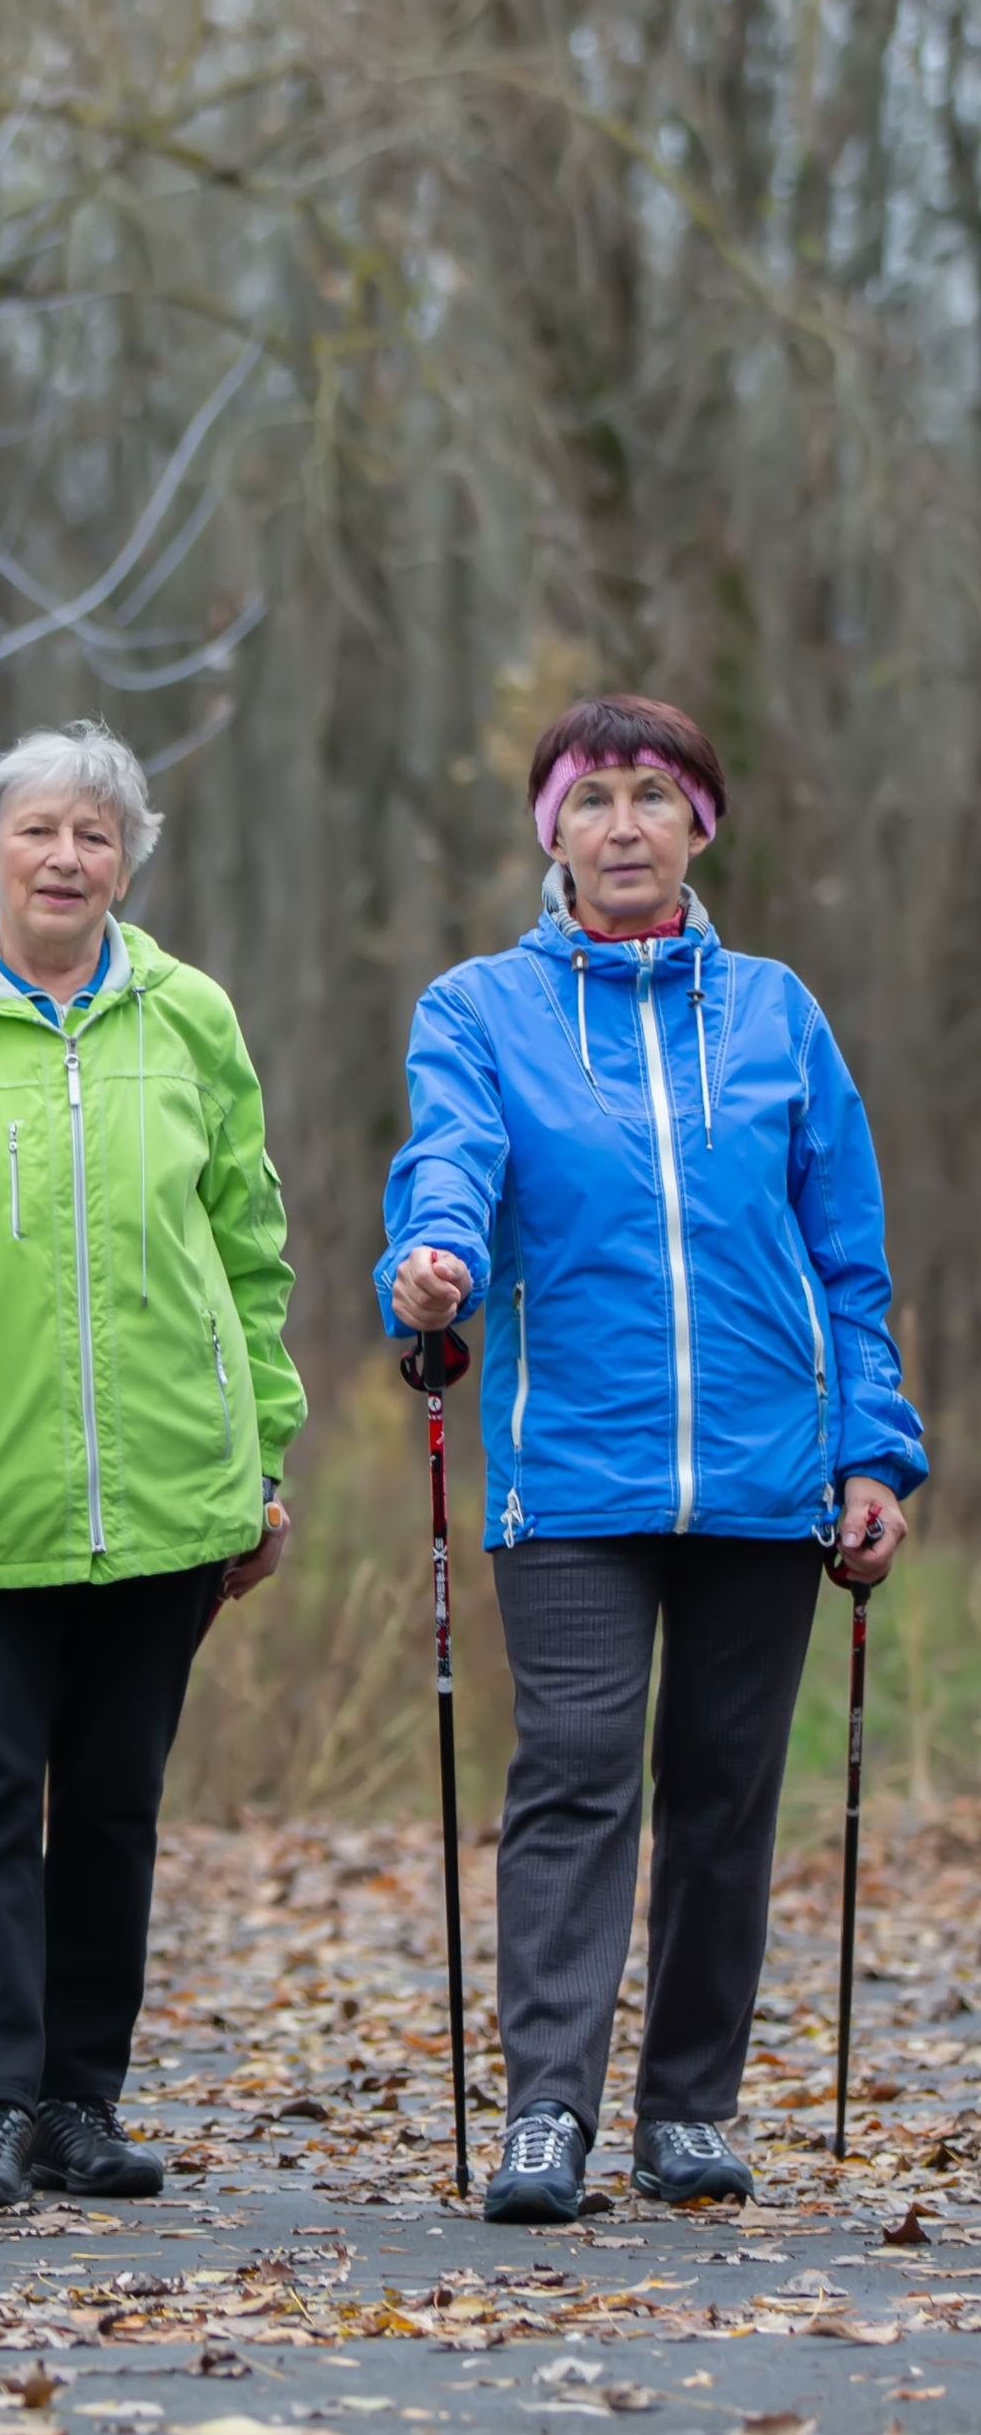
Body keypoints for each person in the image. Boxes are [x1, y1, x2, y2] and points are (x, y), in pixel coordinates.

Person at [377, 693, 925, 2224]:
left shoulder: (776, 1015)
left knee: (725, 1795)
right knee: (573, 1775)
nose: (624, 825)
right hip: (570, 1472)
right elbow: (449, 1160)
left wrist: (873, 1454)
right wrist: (431, 1261)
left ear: (700, 825)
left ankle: (687, 2111)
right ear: (551, 831)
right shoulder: (480, 1009)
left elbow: (848, 1259)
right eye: (593, 798)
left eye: (654, 797)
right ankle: (546, 2115)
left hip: (767, 1472)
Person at [0, 721, 303, 2213]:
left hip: (169, 1492)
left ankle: (82, 2102)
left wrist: (265, 1451)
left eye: (95, 835)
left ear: (127, 865)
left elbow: (250, 1248)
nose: (66, 858)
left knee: (109, 1809)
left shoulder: (191, 1016)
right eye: (38, 831)